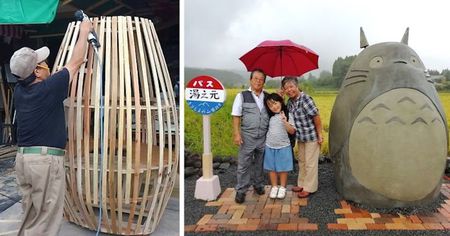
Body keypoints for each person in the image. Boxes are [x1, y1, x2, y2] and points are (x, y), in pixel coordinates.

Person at [11, 19, 92, 236]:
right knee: (46, 219)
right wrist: (84, 32)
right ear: (37, 72)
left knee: (30, 214)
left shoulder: (20, 91)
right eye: (43, 63)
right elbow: (75, 62)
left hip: (23, 161)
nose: (49, 65)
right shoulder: (48, 88)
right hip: (44, 163)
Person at [281, 76, 323, 198]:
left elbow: (316, 117)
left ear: (297, 86)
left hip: (311, 137)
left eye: (291, 87)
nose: (289, 90)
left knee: (310, 163)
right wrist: (281, 99)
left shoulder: (305, 99)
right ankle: (302, 184)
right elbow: (285, 115)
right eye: (286, 88)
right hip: (301, 137)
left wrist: (320, 134)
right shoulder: (290, 102)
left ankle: (309, 188)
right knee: (302, 162)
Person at [231, 69, 269, 203]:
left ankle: (258, 185)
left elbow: (276, 107)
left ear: (264, 82)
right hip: (247, 136)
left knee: (260, 163)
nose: (258, 81)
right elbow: (236, 116)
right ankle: (241, 190)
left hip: (263, 136)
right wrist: (237, 134)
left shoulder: (268, 96)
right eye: (256, 79)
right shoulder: (242, 96)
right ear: (250, 80)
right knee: (244, 164)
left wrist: (280, 96)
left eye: (261, 79)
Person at [263, 93, 296, 199]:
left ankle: (282, 187)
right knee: (271, 168)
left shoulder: (287, 114)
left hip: (283, 146)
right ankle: (274, 187)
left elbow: (291, 131)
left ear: (280, 102)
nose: (274, 106)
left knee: (283, 168)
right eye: (270, 105)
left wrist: (285, 121)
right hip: (270, 145)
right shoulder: (270, 116)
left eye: (275, 103)